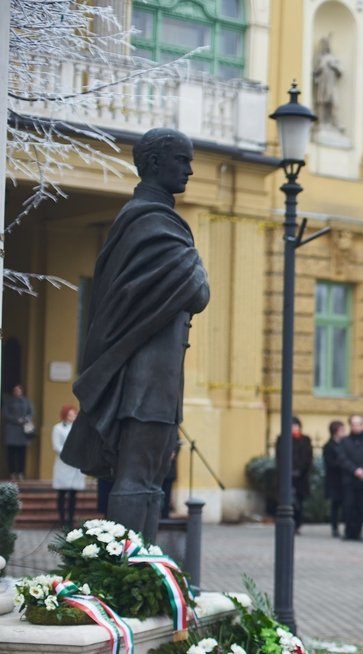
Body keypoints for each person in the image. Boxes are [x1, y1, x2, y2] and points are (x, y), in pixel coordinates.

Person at [61, 129, 210, 545]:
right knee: (139, 475)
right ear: (156, 163)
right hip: (147, 377)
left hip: (156, 372)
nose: (190, 169)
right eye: (182, 160)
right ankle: (127, 574)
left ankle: (140, 566)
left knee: (151, 477)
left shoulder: (148, 220)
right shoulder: (150, 222)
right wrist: (193, 270)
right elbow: (198, 290)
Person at [338, 415, 363, 542]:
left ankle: (358, 532)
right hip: (349, 479)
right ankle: (349, 531)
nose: (356, 427)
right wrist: (354, 470)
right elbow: (342, 458)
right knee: (348, 506)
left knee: (361, 507)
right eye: (354, 424)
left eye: (359, 424)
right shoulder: (345, 441)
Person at [276, 417, 313, 534]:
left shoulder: (305, 440)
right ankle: (286, 525)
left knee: (299, 503)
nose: (294, 428)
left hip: (301, 477)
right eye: (292, 426)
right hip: (287, 476)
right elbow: (279, 457)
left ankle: (297, 525)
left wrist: (300, 471)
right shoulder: (282, 439)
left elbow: (308, 457)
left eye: (296, 426)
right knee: (287, 502)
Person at [51, 405, 86, 528]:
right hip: (63, 463)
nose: (73, 417)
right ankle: (61, 519)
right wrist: (69, 453)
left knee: (73, 494)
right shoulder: (57, 428)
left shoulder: (79, 429)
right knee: (62, 493)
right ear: (65, 415)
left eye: (74, 414)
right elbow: (56, 446)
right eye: (70, 415)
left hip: (75, 465)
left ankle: (70, 520)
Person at [4, 384, 34, 481]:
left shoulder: (26, 401)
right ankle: (12, 473)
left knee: (22, 454)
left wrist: (26, 418)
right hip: (11, 430)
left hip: (23, 431)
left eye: (19, 390)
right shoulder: (8, 401)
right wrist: (16, 420)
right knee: (11, 453)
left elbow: (32, 412)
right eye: (15, 390)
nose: (17, 392)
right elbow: (5, 414)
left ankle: (20, 473)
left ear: (22, 391)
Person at [324, 421, 347, 538]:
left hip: (345, 479)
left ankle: (346, 526)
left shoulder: (345, 444)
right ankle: (334, 527)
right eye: (341, 430)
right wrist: (342, 463)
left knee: (346, 504)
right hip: (334, 480)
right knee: (335, 505)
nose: (344, 432)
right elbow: (330, 462)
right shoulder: (329, 446)